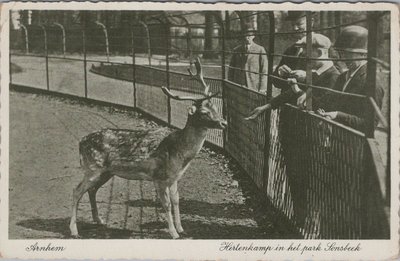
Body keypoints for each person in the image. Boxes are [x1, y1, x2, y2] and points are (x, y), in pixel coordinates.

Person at [245, 33, 340, 120]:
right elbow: (290, 94)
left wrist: (297, 90)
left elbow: (320, 105)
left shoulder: (333, 76)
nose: (304, 60)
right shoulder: (315, 72)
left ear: (319, 53)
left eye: (307, 56)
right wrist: (266, 106)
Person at [316, 25, 384, 132]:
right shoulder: (343, 77)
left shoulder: (372, 82)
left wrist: (338, 115)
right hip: (337, 141)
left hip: (356, 145)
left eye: (347, 54)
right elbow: (329, 102)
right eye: (340, 53)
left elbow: (369, 125)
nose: (342, 59)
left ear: (363, 53)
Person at [271, 11, 314, 91]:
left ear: (311, 22)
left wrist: (308, 77)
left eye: (299, 24)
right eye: (292, 25)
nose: (295, 28)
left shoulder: (324, 47)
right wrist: (279, 73)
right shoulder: (290, 50)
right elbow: (275, 81)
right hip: (286, 102)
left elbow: (334, 79)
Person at [227, 24, 268, 93]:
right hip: (238, 85)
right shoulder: (237, 50)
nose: (248, 37)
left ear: (253, 36)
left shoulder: (260, 50)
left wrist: (263, 88)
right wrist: (231, 85)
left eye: (250, 35)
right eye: (246, 35)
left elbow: (264, 70)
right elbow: (231, 69)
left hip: (253, 86)